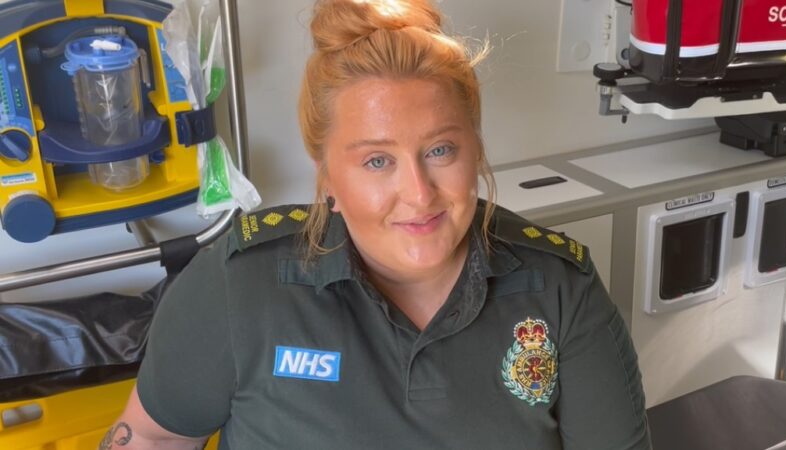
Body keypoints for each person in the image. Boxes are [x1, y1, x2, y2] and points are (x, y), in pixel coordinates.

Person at [101, 0, 651, 448]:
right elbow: (155, 437)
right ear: (327, 176)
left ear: (476, 146)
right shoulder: (241, 283)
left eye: (440, 149)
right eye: (377, 161)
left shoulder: (558, 288)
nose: (417, 194)